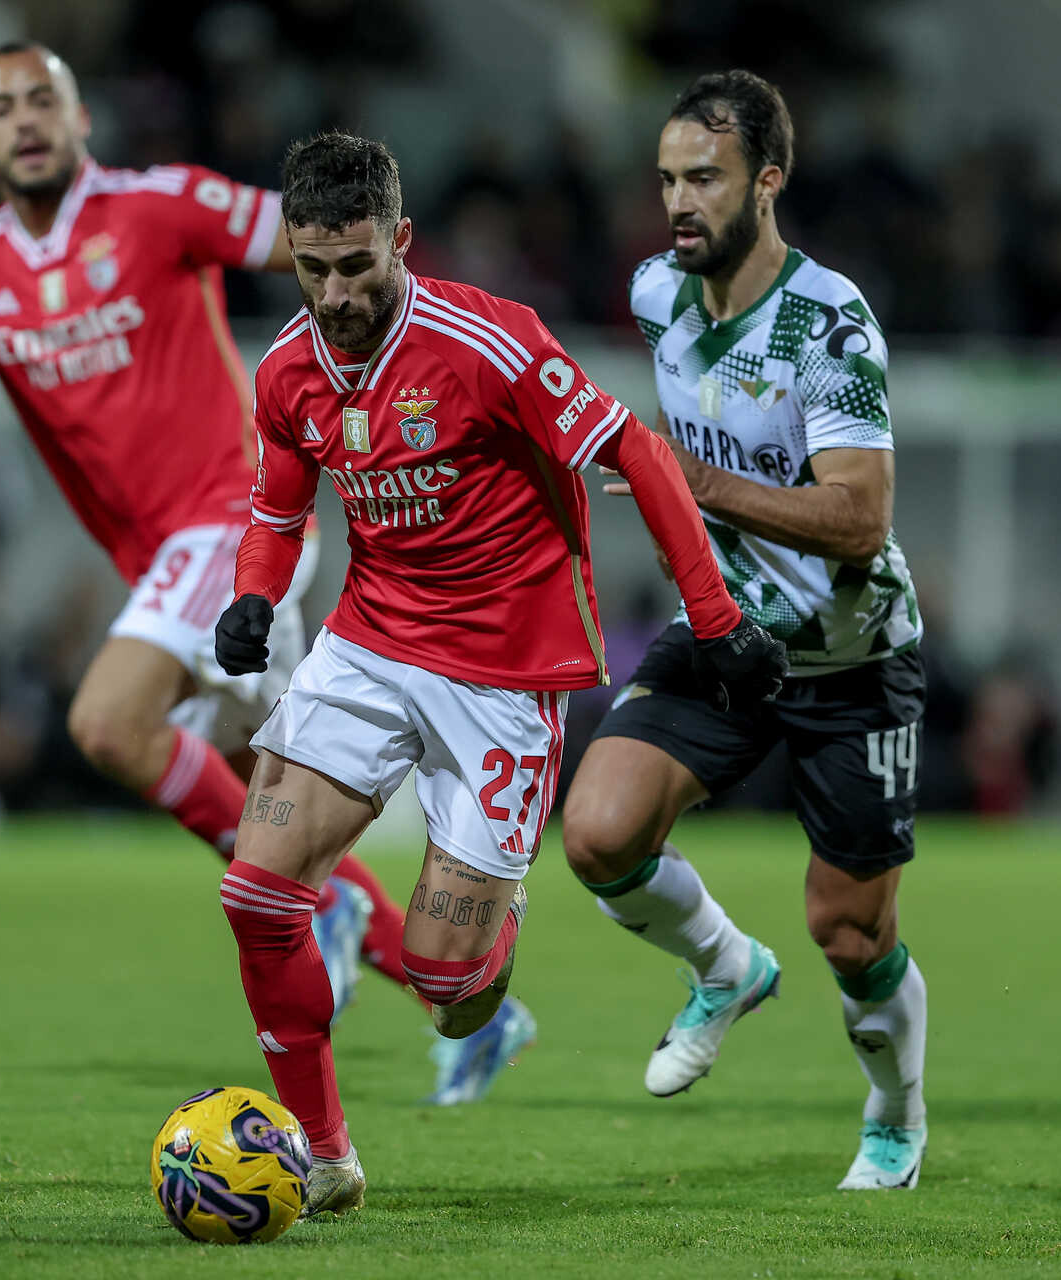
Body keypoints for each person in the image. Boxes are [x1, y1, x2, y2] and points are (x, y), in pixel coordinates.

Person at [212, 131, 786, 1217]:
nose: (335, 293)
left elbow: (640, 453)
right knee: (256, 893)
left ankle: (485, 925)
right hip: (372, 642)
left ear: (402, 242)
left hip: (503, 675)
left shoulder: (488, 343)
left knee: (447, 993)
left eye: (357, 266)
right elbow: (277, 510)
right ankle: (325, 1156)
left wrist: (716, 619)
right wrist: (254, 594)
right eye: (313, 268)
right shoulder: (286, 369)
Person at [0, 43, 425, 1070]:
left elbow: (325, 243)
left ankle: (319, 911)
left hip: (239, 521)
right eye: (1, 108)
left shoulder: (161, 206)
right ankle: (452, 987)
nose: (25, 120)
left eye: (44, 101)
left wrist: (405, 378)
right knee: (272, 798)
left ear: (82, 122)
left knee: (107, 721)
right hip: (160, 559)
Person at [560, 71, 931, 1191]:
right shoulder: (655, 296)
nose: (679, 200)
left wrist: (698, 483)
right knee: (597, 831)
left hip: (853, 651)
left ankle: (896, 1111)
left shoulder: (830, 318)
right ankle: (724, 965)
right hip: (725, 633)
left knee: (851, 933)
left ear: (767, 181)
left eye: (705, 179)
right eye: (668, 177)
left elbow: (861, 518)